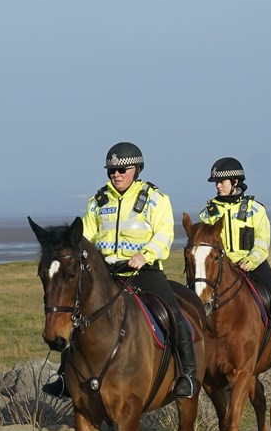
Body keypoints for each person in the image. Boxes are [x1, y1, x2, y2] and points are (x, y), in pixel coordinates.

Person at [43, 141, 198, 399]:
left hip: (144, 273)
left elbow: (164, 234)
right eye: (111, 171)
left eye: (121, 170)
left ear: (136, 170)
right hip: (108, 276)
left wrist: (145, 255)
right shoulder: (97, 201)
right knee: (77, 316)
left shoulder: (154, 198)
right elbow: (87, 238)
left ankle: (188, 375)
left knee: (172, 313)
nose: (116, 174)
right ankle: (64, 377)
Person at [197, 157, 271, 364]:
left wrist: (250, 261)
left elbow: (262, 241)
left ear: (235, 183)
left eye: (221, 182)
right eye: (216, 183)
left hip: (252, 265)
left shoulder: (255, 210)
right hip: (222, 269)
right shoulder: (208, 213)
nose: (217, 186)